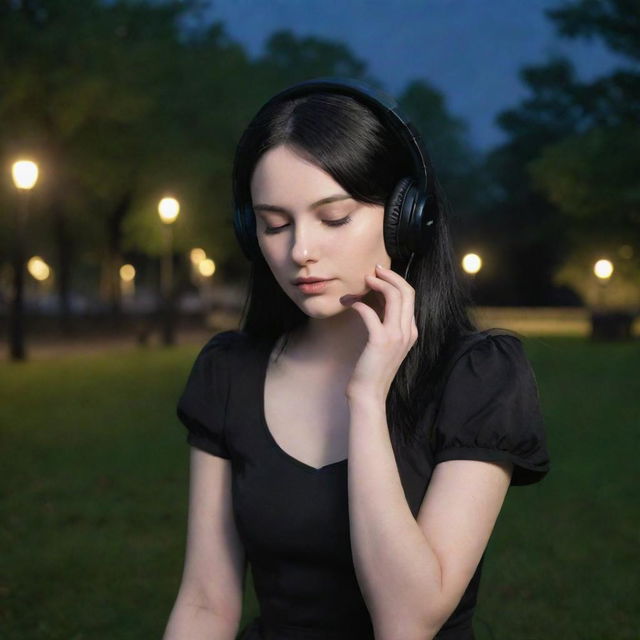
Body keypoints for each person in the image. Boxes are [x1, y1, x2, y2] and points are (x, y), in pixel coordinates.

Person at [162, 78, 551, 640]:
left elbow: (407, 620)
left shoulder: (478, 375)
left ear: (405, 217)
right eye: (274, 224)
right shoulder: (229, 372)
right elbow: (204, 602)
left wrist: (366, 398)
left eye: (334, 217)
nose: (300, 251)